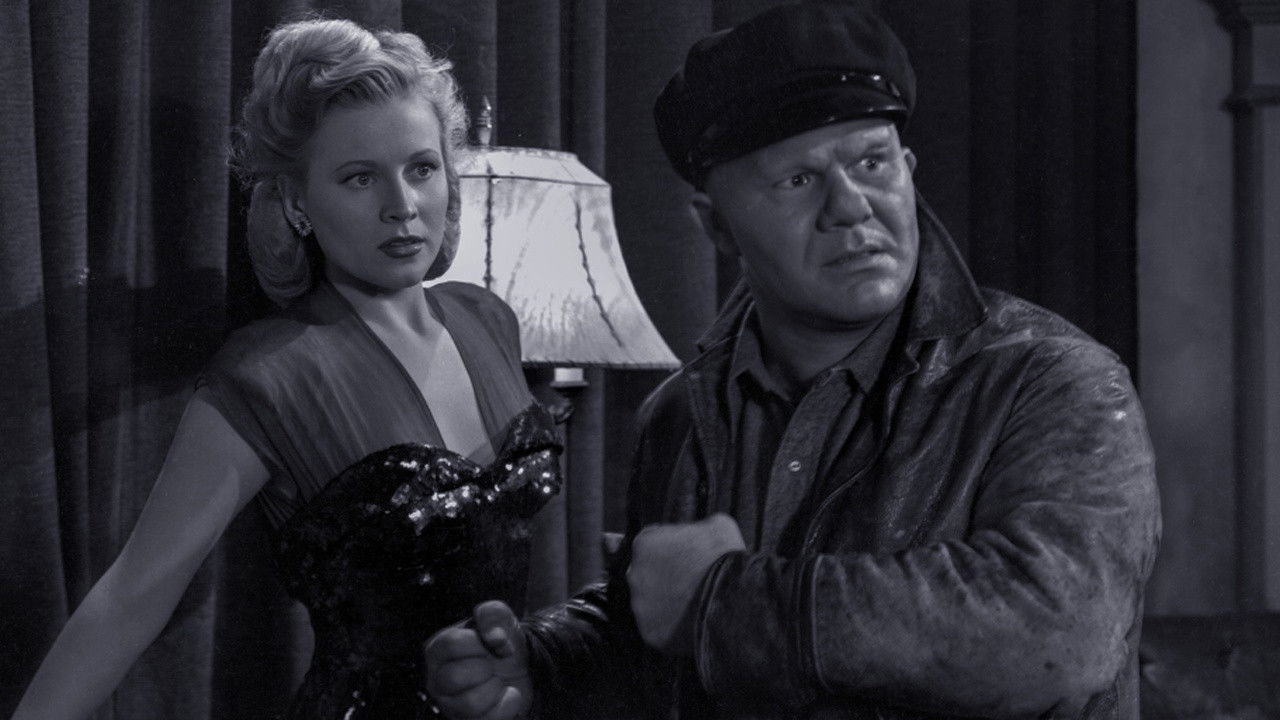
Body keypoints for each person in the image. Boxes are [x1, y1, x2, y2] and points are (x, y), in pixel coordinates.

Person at [423, 3, 1161, 719]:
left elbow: (1059, 638)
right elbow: (657, 635)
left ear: (908, 170)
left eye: (872, 162)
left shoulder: (1048, 380)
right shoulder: (680, 413)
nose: (852, 206)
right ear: (717, 227)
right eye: (798, 180)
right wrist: (542, 664)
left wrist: (723, 601)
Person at [12, 19, 561, 720]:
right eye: (360, 178)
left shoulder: (489, 320)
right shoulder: (267, 376)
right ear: (298, 202)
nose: (402, 206)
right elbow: (132, 598)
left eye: (422, 169)